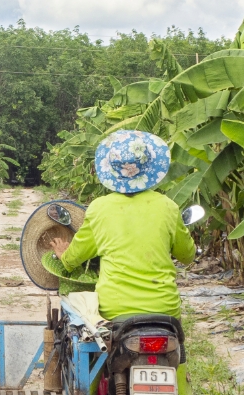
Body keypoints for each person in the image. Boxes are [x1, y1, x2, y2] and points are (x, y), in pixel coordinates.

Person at [41, 129, 196, 322]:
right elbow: (187, 255)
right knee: (176, 347)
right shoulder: (168, 207)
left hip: (114, 310)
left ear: (112, 170)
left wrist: (64, 256)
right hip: (165, 309)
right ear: (149, 167)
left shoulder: (100, 208)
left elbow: (76, 256)